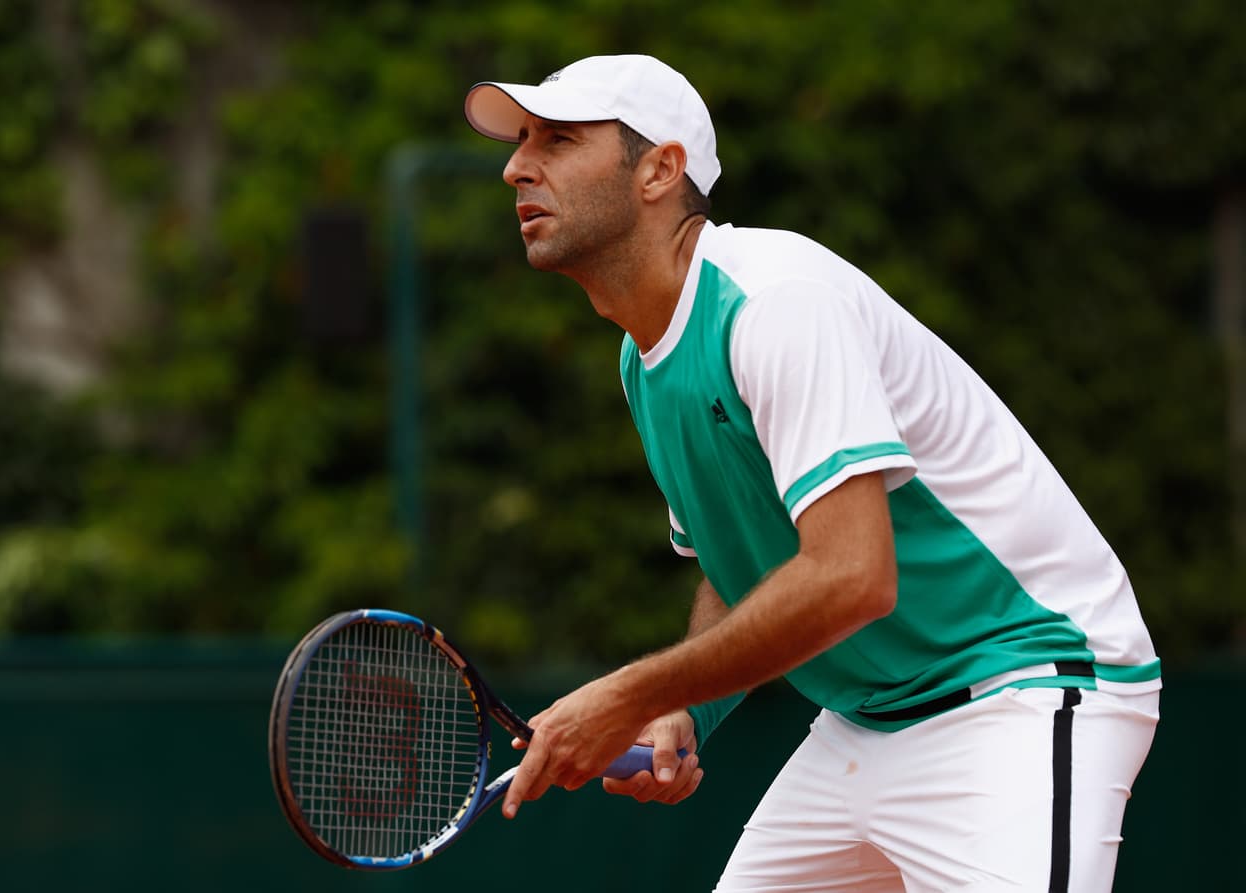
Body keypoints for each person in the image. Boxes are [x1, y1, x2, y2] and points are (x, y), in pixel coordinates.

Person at [463, 54, 1161, 892]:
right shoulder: (643, 357)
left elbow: (851, 576)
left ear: (659, 170)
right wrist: (686, 706)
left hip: (1021, 683)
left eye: (558, 139)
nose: (516, 165)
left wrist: (624, 692)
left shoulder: (776, 302)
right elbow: (744, 566)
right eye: (522, 142)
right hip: (865, 722)